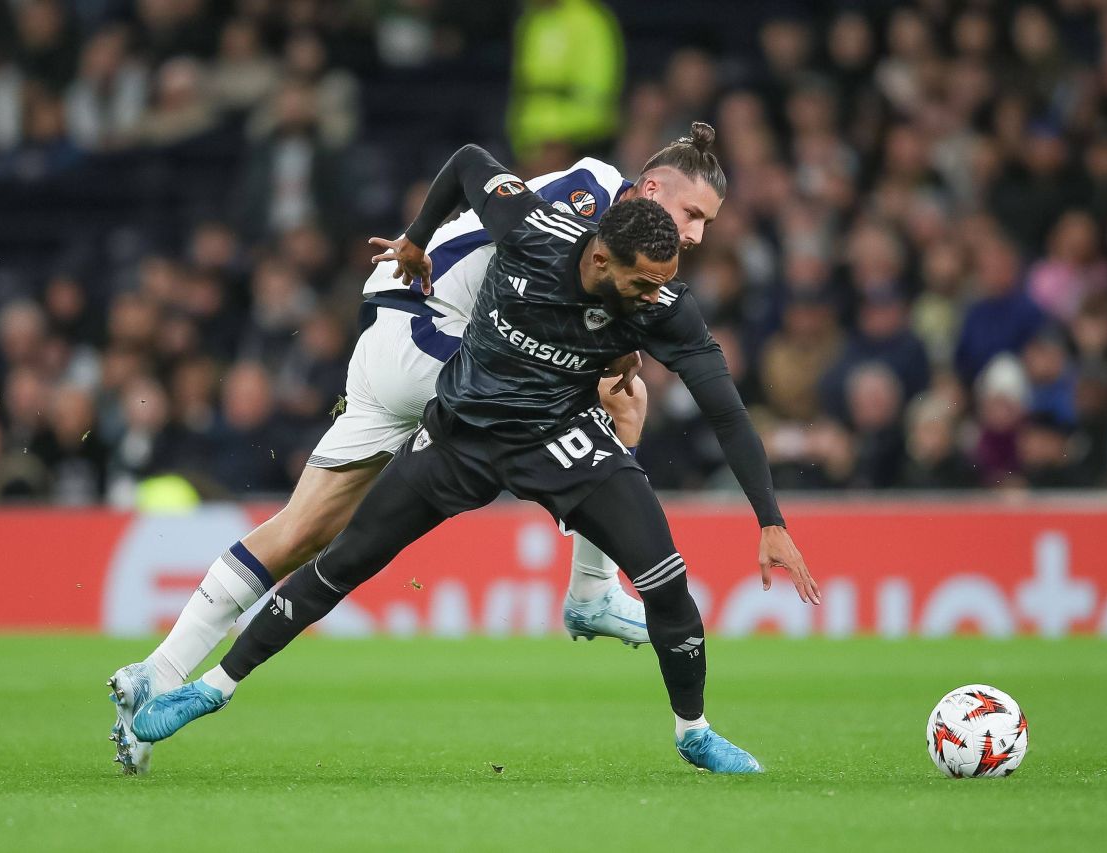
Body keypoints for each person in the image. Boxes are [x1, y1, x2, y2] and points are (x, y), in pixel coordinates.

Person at [129, 144, 819, 774]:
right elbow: (467, 161)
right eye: (692, 215)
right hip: (438, 371)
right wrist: (414, 241)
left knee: (306, 532)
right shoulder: (549, 222)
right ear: (627, 223)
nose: (693, 240)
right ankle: (212, 687)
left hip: (541, 433)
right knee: (341, 560)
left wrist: (770, 518)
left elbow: (727, 410)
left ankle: (159, 673)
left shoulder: (659, 299)